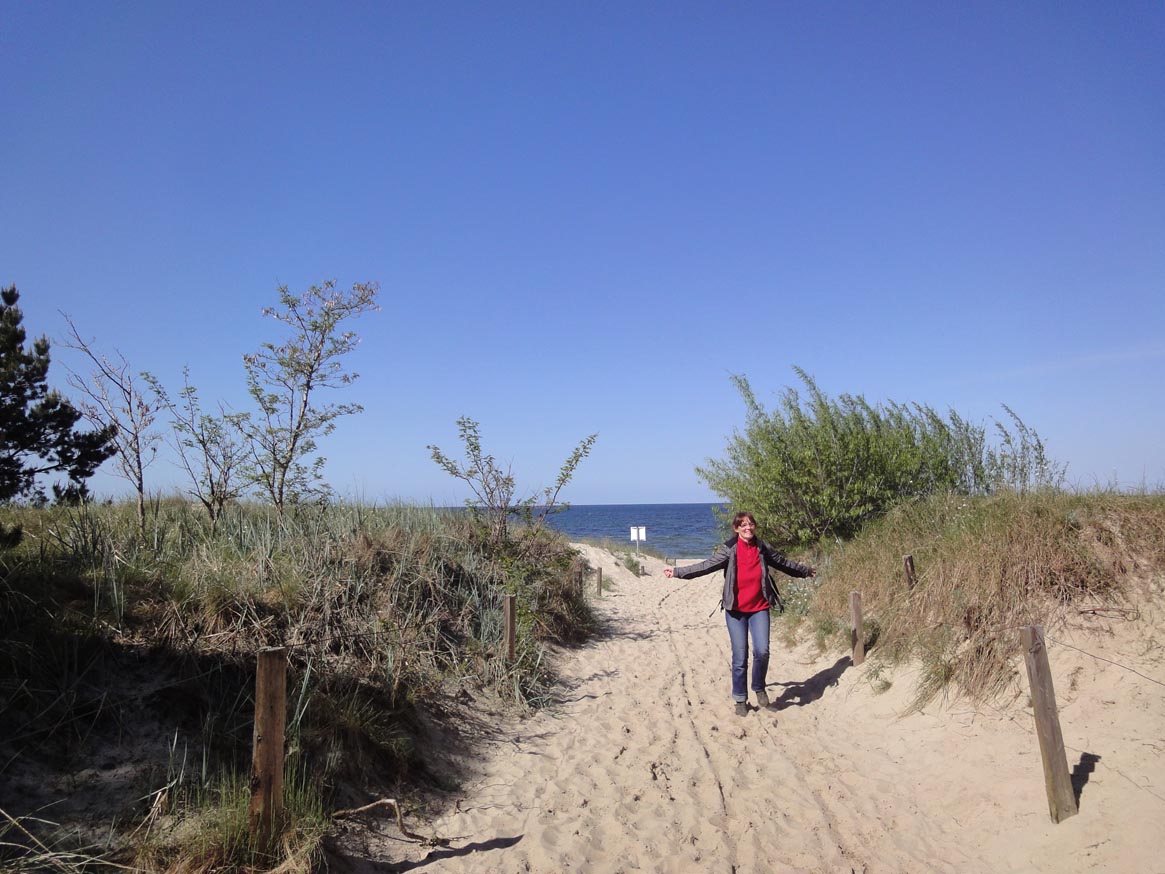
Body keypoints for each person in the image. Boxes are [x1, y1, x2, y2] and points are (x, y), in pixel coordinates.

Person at [663, 511, 816, 716]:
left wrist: (804, 571)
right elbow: (706, 566)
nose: (748, 528)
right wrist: (678, 572)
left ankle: (759, 687)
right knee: (740, 656)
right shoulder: (729, 549)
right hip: (735, 611)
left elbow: (782, 562)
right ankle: (740, 699)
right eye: (743, 525)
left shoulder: (762, 547)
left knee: (762, 651)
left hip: (759, 607)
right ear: (736, 529)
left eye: (750, 524)